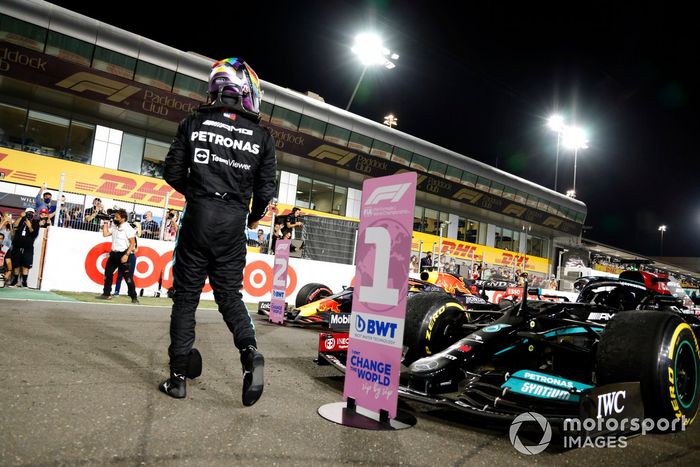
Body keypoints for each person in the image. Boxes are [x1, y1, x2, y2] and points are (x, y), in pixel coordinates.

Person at [160, 57, 276, 405]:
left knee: (186, 300)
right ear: (245, 92)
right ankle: (249, 351)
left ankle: (178, 378)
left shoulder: (193, 121)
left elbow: (171, 171)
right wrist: (252, 216)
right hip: (233, 223)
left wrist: (198, 195)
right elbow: (266, 190)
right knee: (229, 297)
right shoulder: (263, 135)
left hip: (198, 217)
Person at [96, 209, 139, 304]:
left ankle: (134, 297)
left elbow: (132, 243)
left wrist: (126, 255)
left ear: (123, 219)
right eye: (115, 216)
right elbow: (105, 234)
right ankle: (106, 294)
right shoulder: (115, 226)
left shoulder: (128, 228)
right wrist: (106, 222)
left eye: (117, 217)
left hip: (123, 254)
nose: (115, 218)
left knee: (128, 277)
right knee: (107, 274)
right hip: (113, 254)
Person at [8, 208, 40, 288]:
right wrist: (20, 217)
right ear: (25, 213)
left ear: (34, 214)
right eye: (28, 212)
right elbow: (14, 226)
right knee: (16, 264)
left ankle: (24, 282)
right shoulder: (21, 220)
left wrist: (29, 226)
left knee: (26, 265)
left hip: (28, 247)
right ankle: (14, 281)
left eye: (31, 213)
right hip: (17, 245)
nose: (30, 214)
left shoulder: (35, 223)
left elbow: (34, 234)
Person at [115, 225, 138, 296]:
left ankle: (130, 291)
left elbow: (136, 249)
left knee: (130, 275)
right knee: (120, 274)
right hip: (123, 255)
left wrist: (132, 248)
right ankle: (116, 291)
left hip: (131, 256)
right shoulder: (124, 236)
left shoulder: (135, 239)